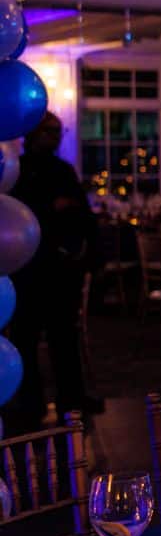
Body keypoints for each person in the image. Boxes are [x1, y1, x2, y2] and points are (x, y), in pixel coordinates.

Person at [1, 114, 100, 433]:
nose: (57, 138)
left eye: (59, 132)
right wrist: (53, 208)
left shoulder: (61, 169)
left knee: (63, 339)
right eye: (51, 132)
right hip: (26, 270)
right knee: (26, 339)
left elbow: (82, 216)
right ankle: (30, 403)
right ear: (33, 134)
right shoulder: (17, 170)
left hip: (58, 270)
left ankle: (70, 399)